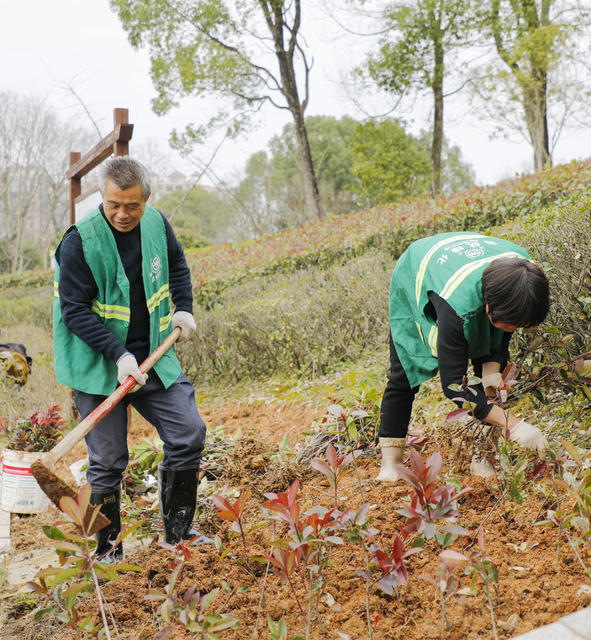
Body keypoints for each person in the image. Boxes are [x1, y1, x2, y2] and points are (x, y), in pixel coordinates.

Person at [53, 156, 211, 562]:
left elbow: (177, 264)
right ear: (101, 198)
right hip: (100, 365)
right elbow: (74, 310)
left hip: (153, 357)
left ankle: (178, 533)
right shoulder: (79, 242)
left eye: (132, 206)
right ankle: (109, 550)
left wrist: (184, 307)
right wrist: (118, 354)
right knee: (106, 460)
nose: (122, 214)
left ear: (147, 198)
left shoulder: (157, 224)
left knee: (188, 432)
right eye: (113, 205)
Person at [376, 231, 550, 482]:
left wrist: (491, 373)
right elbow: (455, 387)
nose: (514, 329)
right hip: (419, 267)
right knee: (403, 376)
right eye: (511, 323)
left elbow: (501, 336)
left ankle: (482, 457)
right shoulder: (453, 308)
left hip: (471, 271)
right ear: (488, 304)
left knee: (491, 383)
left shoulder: (524, 280)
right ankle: (390, 464)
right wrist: (514, 425)